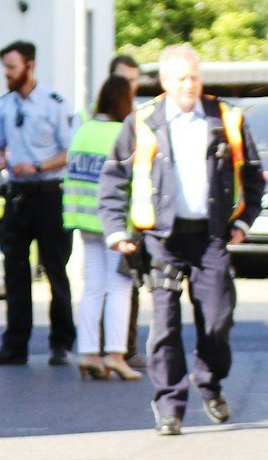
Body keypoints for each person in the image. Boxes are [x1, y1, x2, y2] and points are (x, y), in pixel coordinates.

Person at [97, 44, 263, 436]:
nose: (190, 85)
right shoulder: (143, 120)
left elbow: (253, 174)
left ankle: (210, 383)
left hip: (210, 236)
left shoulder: (226, 118)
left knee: (218, 320)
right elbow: (113, 178)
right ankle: (170, 404)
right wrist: (116, 230)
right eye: (181, 78)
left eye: (195, 77)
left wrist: (245, 222)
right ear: (166, 82)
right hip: (161, 238)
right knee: (165, 324)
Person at [0, 40, 79, 368]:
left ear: (29, 66)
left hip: (48, 194)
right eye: (5, 68)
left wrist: (37, 166)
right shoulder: (5, 105)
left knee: (55, 269)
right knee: (16, 272)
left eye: (12, 67)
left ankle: (61, 343)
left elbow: (70, 152)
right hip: (17, 196)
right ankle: (15, 345)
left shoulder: (55, 104)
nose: (7, 74)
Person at [63, 75, 139, 380]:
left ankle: (88, 353)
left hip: (83, 220)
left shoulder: (84, 130)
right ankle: (116, 355)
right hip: (114, 222)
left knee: (92, 287)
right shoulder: (124, 133)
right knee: (119, 287)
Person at [108, 53, 148, 370]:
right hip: (109, 215)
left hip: (138, 213)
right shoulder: (102, 121)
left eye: (134, 81)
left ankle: (125, 347)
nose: (129, 86)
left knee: (129, 283)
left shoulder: (143, 117)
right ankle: (111, 349)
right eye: (124, 80)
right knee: (110, 285)